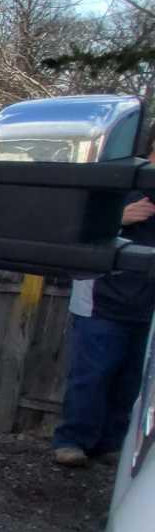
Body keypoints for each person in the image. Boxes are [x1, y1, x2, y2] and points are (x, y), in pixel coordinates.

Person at [54, 149, 155, 467]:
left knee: (130, 380)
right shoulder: (119, 180)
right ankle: (72, 441)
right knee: (93, 373)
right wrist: (120, 218)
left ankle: (111, 444)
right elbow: (74, 227)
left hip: (146, 304)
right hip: (101, 299)